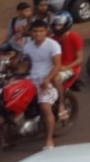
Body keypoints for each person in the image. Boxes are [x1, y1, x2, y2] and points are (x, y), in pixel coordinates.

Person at [21, 20, 61, 150]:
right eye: (35, 31)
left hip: (47, 78)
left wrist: (47, 80)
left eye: (41, 31)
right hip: (31, 78)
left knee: (45, 108)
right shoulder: (27, 46)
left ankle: (49, 140)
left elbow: (57, 65)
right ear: (31, 33)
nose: (38, 34)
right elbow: (25, 65)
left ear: (46, 32)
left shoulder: (53, 45)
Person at [50, 11, 82, 100]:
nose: (57, 27)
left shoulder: (74, 37)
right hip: (55, 67)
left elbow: (79, 59)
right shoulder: (52, 39)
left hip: (70, 68)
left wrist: (66, 67)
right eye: (56, 25)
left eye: (59, 25)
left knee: (55, 79)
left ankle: (61, 103)